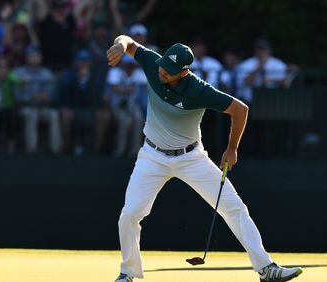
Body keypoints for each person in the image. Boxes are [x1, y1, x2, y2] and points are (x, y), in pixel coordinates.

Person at [107, 35, 303, 282]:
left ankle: (266, 268)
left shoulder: (198, 89)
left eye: (169, 71)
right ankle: (128, 273)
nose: (162, 72)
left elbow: (240, 110)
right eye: (163, 65)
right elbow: (128, 41)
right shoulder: (154, 62)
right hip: (152, 155)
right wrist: (120, 45)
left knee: (234, 208)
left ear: (184, 72)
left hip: (192, 158)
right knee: (130, 213)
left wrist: (231, 149)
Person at [14, 46, 61, 154]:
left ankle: (56, 149)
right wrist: (30, 98)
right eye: (32, 56)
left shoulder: (47, 74)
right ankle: (32, 149)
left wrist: (45, 98)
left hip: (42, 107)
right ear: (27, 58)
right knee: (31, 114)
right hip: (25, 107)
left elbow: (51, 96)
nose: (34, 58)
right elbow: (16, 96)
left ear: (41, 58)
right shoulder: (18, 73)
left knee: (54, 114)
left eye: (37, 56)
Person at [58, 49, 103, 154]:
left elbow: (98, 96)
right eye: (81, 61)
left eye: (86, 61)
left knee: (103, 115)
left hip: (90, 109)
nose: (83, 64)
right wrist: (78, 79)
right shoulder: (68, 75)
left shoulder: (95, 76)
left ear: (90, 63)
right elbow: (64, 95)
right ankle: (66, 147)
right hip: (72, 108)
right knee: (65, 115)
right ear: (76, 62)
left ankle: (96, 149)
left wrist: (87, 79)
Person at [105, 54, 146, 156]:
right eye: (128, 64)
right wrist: (128, 88)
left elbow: (146, 88)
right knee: (125, 121)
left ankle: (135, 150)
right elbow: (114, 88)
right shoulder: (114, 72)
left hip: (132, 105)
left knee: (138, 117)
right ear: (123, 64)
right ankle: (120, 150)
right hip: (116, 106)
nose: (130, 67)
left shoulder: (139, 73)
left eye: (132, 64)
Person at [238, 39, 287, 103]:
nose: (261, 52)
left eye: (263, 49)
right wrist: (259, 67)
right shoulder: (246, 64)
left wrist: (271, 80)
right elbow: (246, 82)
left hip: (272, 100)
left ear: (269, 50)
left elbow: (285, 83)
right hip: (250, 101)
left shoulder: (278, 64)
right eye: (258, 49)